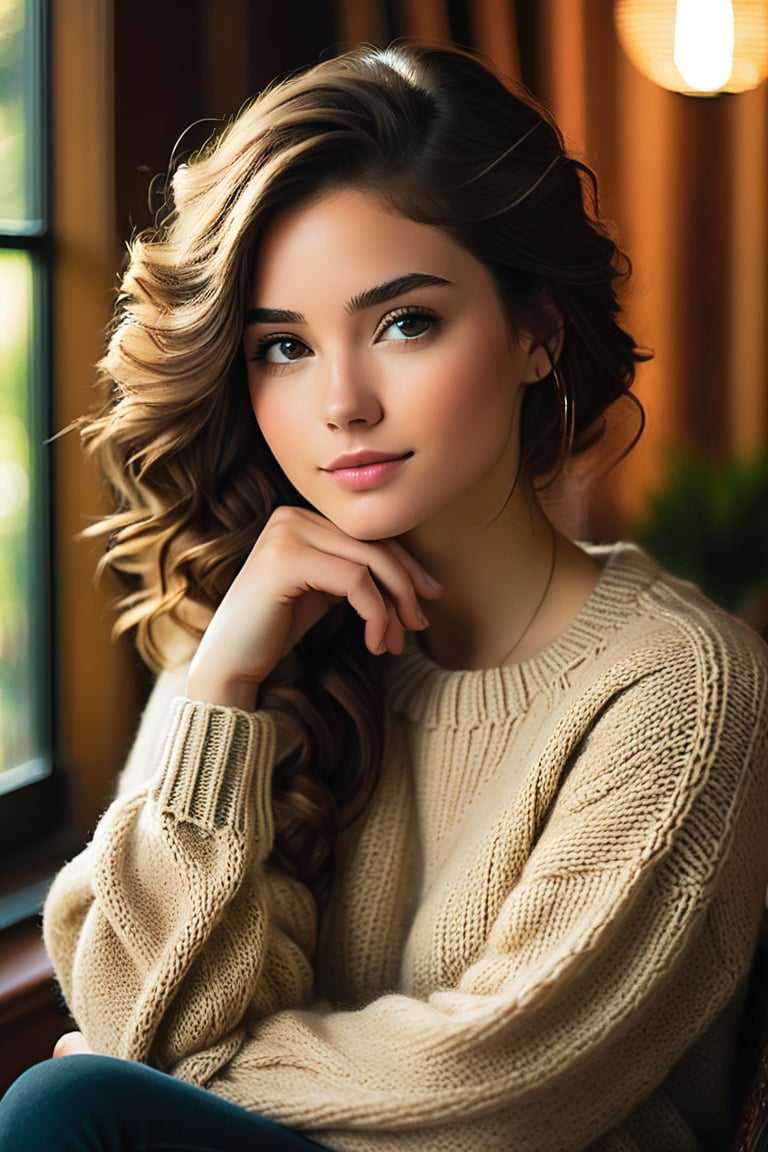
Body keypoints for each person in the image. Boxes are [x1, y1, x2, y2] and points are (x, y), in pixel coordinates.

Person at [1, 39, 767, 1152]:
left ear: (536, 336)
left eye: (406, 322)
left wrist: (185, 1074)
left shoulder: (683, 693)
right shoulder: (292, 649)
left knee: (69, 1110)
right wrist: (219, 675)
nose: (342, 403)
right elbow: (131, 1005)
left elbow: (501, 1088)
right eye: (282, 348)